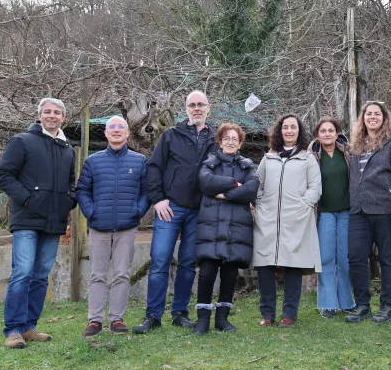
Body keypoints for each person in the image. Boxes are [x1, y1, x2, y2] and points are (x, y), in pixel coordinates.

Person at [0, 97, 76, 348]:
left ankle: (29, 326)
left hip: (53, 222)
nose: (52, 115)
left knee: (40, 276)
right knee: (22, 273)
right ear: (39, 115)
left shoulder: (67, 149)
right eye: (47, 112)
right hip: (27, 220)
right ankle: (13, 330)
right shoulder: (22, 141)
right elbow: (2, 175)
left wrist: (68, 201)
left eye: (57, 112)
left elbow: (71, 183)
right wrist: (27, 199)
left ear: (63, 117)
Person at [134, 90, 217, 334]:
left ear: (208, 107)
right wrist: (158, 199)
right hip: (170, 208)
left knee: (189, 263)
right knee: (160, 260)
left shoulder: (216, 137)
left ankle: (180, 313)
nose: (197, 108)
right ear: (186, 108)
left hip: (199, 210)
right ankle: (153, 315)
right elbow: (154, 168)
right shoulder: (171, 135)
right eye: (192, 105)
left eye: (201, 104)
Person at [75, 116, 150, 338]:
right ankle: (95, 320)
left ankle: (116, 318)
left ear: (127, 134)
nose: (116, 131)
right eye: (112, 128)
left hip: (126, 227)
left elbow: (147, 192)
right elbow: (82, 191)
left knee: (121, 274)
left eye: (121, 128)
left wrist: (137, 212)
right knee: (97, 274)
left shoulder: (140, 161)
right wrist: (91, 212)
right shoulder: (92, 161)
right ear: (106, 134)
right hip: (99, 227)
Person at [344, 101, 391, 324]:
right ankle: (362, 305)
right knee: (355, 256)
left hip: (386, 210)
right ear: (362, 118)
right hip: (358, 211)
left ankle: (387, 307)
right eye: (368, 114)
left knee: (388, 259)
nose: (372, 117)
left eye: (376, 114)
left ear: (384, 118)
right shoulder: (356, 145)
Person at [253, 114, 322, 327]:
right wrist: (260, 205)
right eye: (285, 127)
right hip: (267, 220)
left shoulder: (307, 158)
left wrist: (304, 205)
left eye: (293, 127)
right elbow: (257, 184)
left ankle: (289, 314)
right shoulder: (269, 158)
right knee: (265, 265)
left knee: (294, 266)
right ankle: (267, 314)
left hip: (297, 220)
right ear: (279, 131)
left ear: (299, 131)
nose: (289, 131)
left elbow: (315, 188)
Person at [192, 123, 259, 334]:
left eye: (235, 139)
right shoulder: (208, 164)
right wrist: (234, 184)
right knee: (207, 273)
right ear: (219, 142)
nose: (230, 142)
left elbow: (251, 190)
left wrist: (223, 194)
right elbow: (205, 183)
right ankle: (202, 319)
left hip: (236, 228)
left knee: (230, 274)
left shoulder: (248, 166)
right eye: (226, 138)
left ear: (240, 144)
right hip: (211, 227)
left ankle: (222, 318)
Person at [310, 118, 355, 318]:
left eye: (331, 130)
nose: (327, 134)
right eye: (323, 131)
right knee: (327, 258)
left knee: (345, 259)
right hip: (325, 213)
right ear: (317, 135)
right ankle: (328, 303)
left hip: (346, 211)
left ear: (337, 134)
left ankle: (347, 301)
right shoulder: (312, 157)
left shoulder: (348, 153)